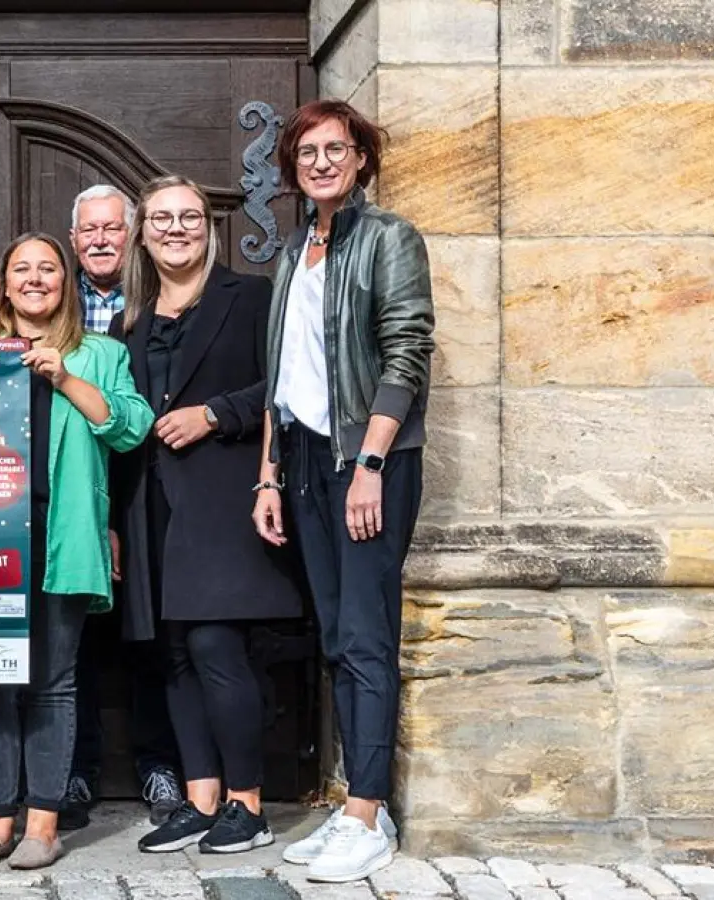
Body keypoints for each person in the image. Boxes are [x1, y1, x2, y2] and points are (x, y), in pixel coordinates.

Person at [253, 100, 434, 883]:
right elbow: (283, 380)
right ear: (292, 168)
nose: (322, 162)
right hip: (303, 462)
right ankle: (355, 803)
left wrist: (370, 464)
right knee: (335, 637)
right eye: (307, 153)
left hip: (364, 462)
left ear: (362, 158)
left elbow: (407, 352)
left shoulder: (389, 238)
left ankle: (367, 811)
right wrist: (267, 474)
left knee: (365, 637)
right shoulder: (297, 248)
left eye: (337, 149)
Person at [107, 175, 304, 856]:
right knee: (175, 656)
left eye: (189, 216)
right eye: (161, 218)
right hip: (150, 506)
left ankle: (248, 805)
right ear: (142, 232)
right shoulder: (127, 319)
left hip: (224, 497)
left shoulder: (248, 297)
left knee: (217, 646)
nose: (175, 228)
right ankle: (200, 799)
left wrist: (218, 414)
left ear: (208, 226)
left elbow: (285, 385)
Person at [0, 233, 152, 870]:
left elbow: (131, 426)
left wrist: (64, 378)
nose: (36, 279)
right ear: (3, 283)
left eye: (49, 270)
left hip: (61, 535)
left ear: (64, 284)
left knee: (52, 682)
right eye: (22, 269)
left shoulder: (100, 353)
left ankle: (43, 826)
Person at [62, 184, 185, 832]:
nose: (102, 239)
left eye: (113, 228)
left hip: (147, 489)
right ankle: (76, 770)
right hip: (75, 495)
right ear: (74, 239)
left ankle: (158, 763)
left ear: (132, 235)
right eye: (90, 230)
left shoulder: (155, 301)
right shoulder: (57, 307)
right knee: (72, 642)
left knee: (149, 638)